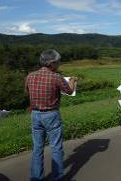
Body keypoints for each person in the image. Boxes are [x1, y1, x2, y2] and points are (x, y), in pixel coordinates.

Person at [25, 49, 77, 181]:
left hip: (35, 114)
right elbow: (69, 91)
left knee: (37, 148)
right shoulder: (56, 77)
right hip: (51, 114)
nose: (59, 64)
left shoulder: (30, 76)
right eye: (58, 62)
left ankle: (36, 177)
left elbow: (28, 93)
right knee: (56, 147)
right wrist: (72, 80)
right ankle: (57, 177)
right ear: (52, 63)